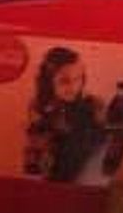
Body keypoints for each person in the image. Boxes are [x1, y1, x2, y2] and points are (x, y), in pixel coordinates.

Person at [23, 46, 102, 182]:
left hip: (87, 176)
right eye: (64, 81)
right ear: (48, 82)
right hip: (54, 178)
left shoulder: (92, 105)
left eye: (78, 79)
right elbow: (35, 160)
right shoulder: (40, 108)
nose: (74, 87)